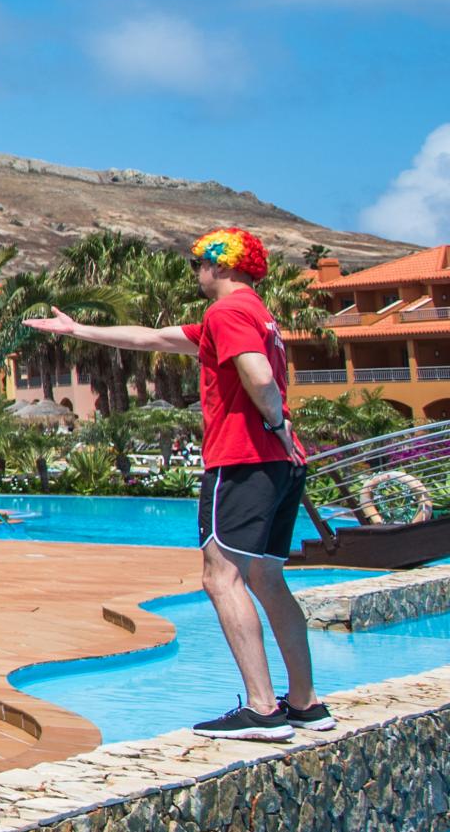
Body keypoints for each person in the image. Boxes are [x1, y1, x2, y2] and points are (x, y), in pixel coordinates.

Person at [26, 226, 326, 740]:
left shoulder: (227, 312)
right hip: (277, 463)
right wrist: (77, 331)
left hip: (242, 458)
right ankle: (305, 703)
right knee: (266, 578)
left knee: (220, 576)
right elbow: (149, 337)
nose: (196, 272)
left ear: (222, 265)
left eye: (199, 263)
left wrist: (276, 422)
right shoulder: (256, 313)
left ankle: (261, 708)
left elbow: (257, 376)